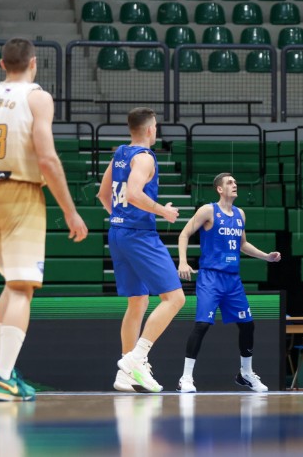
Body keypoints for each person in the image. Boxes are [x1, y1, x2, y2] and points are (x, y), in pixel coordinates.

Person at [0, 38, 89, 402]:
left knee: (13, 285)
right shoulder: (37, 97)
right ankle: (4, 378)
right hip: (19, 191)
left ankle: (2, 372)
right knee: (23, 288)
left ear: (1, 63)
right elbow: (47, 160)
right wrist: (70, 211)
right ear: (34, 64)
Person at [97, 107, 185, 393]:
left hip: (118, 232)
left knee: (137, 302)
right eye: (156, 126)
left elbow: (102, 193)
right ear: (150, 129)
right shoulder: (144, 158)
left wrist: (119, 218)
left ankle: (126, 373)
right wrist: (163, 211)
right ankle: (137, 358)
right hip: (139, 235)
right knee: (175, 299)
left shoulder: (120, 152)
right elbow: (134, 193)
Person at [176, 173, 281, 393]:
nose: (235, 185)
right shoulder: (208, 210)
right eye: (230, 183)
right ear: (219, 189)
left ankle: (246, 374)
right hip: (210, 277)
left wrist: (266, 256)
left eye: (235, 181)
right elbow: (184, 234)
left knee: (247, 325)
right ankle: (186, 378)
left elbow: (242, 244)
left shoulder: (240, 214)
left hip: (233, 280)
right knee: (202, 324)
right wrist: (183, 262)